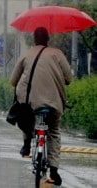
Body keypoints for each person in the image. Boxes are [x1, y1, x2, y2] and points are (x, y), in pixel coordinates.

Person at [10, 27, 73, 186]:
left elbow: (13, 81)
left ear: (34, 39)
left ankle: (26, 146)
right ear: (48, 39)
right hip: (53, 103)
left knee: (26, 118)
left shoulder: (26, 54)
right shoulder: (57, 54)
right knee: (53, 132)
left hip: (31, 102)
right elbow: (69, 79)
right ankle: (54, 171)